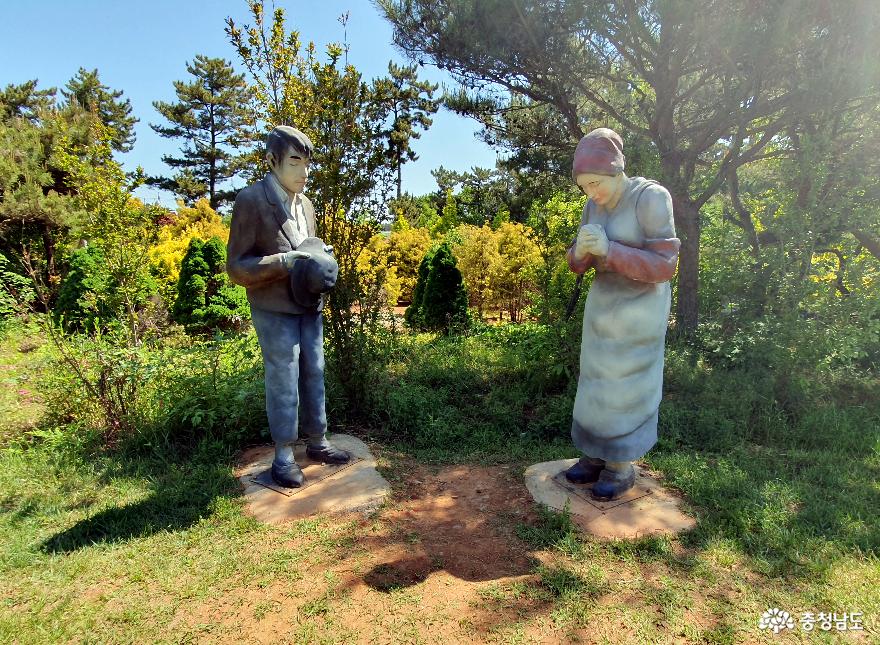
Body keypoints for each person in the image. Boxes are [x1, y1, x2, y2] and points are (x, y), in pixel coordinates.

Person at [227, 125, 349, 488]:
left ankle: (317, 441)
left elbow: (307, 245)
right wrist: (285, 262)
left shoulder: (307, 205)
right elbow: (236, 267)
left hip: (309, 305)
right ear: (272, 161)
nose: (304, 172)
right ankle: (283, 455)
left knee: (315, 371)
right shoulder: (251, 200)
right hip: (274, 307)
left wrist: (318, 259)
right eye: (295, 162)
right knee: (283, 376)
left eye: (307, 163)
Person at [564, 128, 680, 500]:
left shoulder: (650, 198)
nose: (592, 193)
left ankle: (621, 465)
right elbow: (577, 262)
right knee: (596, 381)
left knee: (626, 385)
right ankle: (595, 455)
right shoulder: (593, 205)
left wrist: (610, 251)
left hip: (639, 310)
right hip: (603, 307)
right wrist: (580, 252)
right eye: (585, 187)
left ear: (616, 172)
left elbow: (665, 265)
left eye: (596, 183)